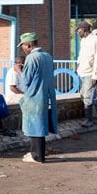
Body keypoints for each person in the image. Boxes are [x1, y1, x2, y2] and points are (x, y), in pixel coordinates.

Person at [19, 32, 58, 163]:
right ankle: (37, 154)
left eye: (23, 46)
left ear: (29, 45)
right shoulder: (47, 56)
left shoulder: (31, 58)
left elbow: (27, 79)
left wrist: (20, 71)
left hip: (34, 96)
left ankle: (37, 156)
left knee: (35, 126)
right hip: (46, 95)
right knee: (40, 125)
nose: (23, 48)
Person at [76, 21, 97, 127]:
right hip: (82, 71)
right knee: (84, 95)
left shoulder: (96, 40)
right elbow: (81, 54)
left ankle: (89, 120)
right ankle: (93, 117)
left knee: (88, 96)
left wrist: (95, 75)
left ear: (84, 29)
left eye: (79, 30)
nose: (78, 32)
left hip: (90, 73)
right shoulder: (83, 40)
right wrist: (78, 65)